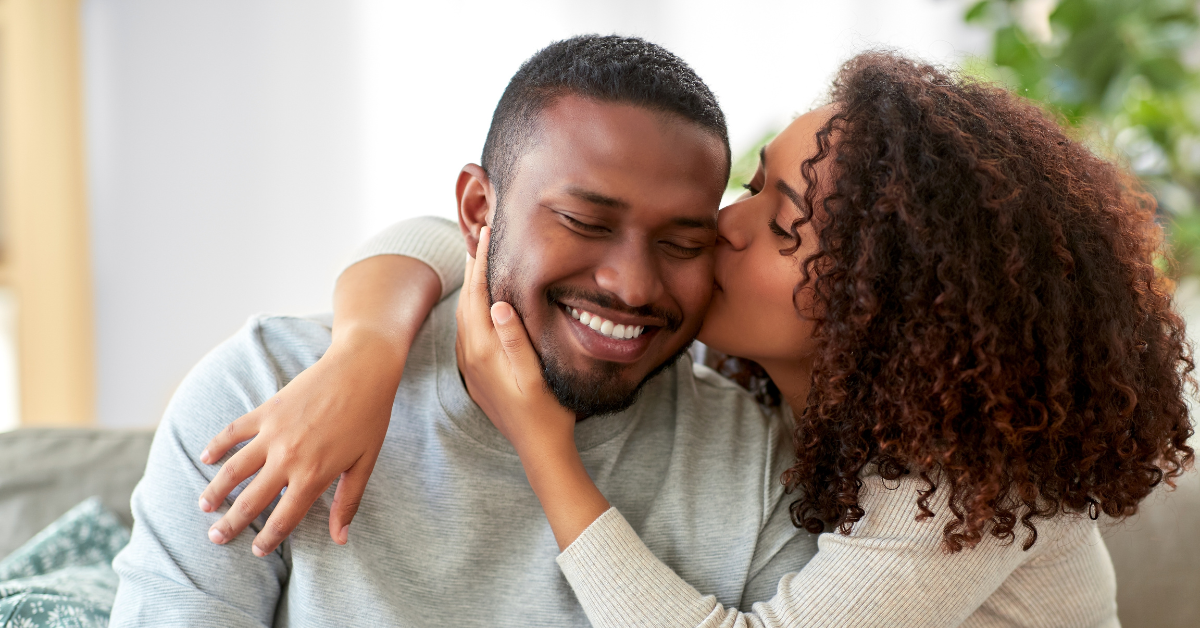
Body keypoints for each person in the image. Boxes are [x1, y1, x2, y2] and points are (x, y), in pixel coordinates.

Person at [199, 53, 1194, 626]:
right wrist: (366, 351)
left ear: (879, 304)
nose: (725, 222)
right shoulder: (803, 402)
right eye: (754, 183)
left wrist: (545, 445)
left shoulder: (960, 487)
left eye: (778, 218)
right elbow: (461, 236)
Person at [109, 35, 817, 628]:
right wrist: (367, 345)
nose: (632, 286)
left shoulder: (758, 465)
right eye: (584, 223)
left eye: (682, 242)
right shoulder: (265, 391)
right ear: (479, 210)